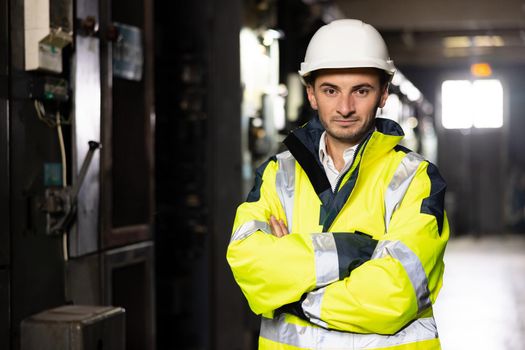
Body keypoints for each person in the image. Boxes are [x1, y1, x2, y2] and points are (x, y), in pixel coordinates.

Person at [227, 19, 449, 350]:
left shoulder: (414, 178)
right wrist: (352, 252)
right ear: (312, 95)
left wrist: (296, 295)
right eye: (331, 90)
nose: (345, 107)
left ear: (383, 94)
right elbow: (250, 264)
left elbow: (395, 295)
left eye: (361, 90)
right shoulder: (277, 174)